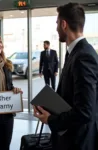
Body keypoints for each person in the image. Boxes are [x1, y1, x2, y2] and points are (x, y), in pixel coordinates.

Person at [34, 3, 98, 150]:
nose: (56, 28)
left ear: (64, 24)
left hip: (77, 141)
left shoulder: (83, 56)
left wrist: (50, 119)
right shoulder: (76, 52)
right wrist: (46, 106)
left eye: (57, 23)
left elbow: (84, 111)